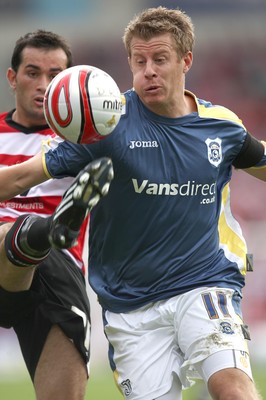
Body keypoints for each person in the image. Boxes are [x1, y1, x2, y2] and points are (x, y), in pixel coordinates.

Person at [0, 7, 265, 400]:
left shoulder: (222, 126)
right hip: (131, 307)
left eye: (160, 59)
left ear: (185, 60)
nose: (149, 71)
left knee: (233, 390)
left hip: (205, 284)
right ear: (128, 63)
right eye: (139, 61)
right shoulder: (104, 125)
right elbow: (22, 177)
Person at [0, 30, 113, 400]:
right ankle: (40, 231)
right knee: (15, 232)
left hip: (56, 270)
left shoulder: (84, 138)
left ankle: (42, 235)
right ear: (12, 77)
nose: (43, 85)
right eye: (33, 72)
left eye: (54, 75)